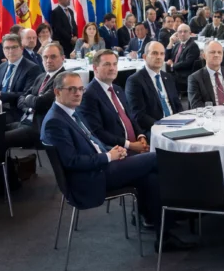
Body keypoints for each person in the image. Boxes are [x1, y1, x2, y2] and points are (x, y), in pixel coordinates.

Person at [41, 71, 193, 251]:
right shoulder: (55, 122)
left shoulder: (69, 112)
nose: (78, 93)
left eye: (81, 89)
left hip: (102, 167)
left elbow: (92, 141)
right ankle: (186, 207)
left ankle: (164, 236)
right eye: (72, 89)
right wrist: (108, 157)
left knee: (151, 178)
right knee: (157, 158)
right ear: (57, 92)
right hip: (90, 178)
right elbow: (72, 162)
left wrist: (112, 151)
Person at [77, 50, 147, 153]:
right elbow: (97, 132)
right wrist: (130, 145)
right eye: (107, 64)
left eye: (114, 64)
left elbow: (129, 117)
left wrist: (141, 136)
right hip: (116, 151)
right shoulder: (89, 95)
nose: (112, 68)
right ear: (95, 68)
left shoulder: (117, 89)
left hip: (134, 145)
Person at [124, 42, 183, 134]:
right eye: (154, 53)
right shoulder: (135, 81)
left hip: (176, 124)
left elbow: (177, 105)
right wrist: (163, 126)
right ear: (144, 57)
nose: (159, 57)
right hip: (154, 129)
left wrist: (181, 121)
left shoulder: (168, 77)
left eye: (162, 54)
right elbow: (139, 115)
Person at [188, 41, 224, 107]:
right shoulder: (195, 78)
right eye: (212, 52)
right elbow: (196, 105)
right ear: (204, 55)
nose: (216, 55)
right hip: (210, 115)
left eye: (219, 52)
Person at [165, 23, 200, 90]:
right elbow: (167, 58)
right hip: (175, 71)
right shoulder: (178, 44)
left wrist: (172, 65)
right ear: (177, 33)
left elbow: (187, 63)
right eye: (180, 32)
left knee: (164, 78)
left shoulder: (193, 46)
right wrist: (171, 42)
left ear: (189, 33)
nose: (182, 34)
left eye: (185, 31)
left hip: (184, 74)